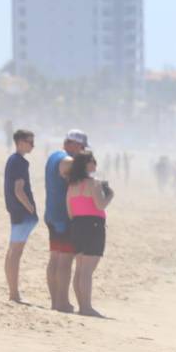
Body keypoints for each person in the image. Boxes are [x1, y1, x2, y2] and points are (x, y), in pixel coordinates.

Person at [45, 130, 88, 312]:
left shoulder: (54, 155)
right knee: (65, 260)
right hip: (64, 216)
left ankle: (55, 301)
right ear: (74, 144)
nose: (82, 151)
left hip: (51, 213)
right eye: (82, 147)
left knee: (54, 257)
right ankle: (62, 302)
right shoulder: (68, 161)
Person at [66, 151, 113, 317]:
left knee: (80, 268)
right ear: (85, 164)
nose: (95, 164)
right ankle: (86, 307)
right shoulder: (93, 183)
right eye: (92, 161)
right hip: (93, 225)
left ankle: (82, 305)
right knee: (87, 270)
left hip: (77, 224)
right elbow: (100, 205)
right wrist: (110, 195)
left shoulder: (72, 185)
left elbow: (70, 211)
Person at [4, 129, 38, 303]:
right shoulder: (20, 162)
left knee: (12, 252)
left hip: (16, 212)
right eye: (30, 142)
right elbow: (19, 189)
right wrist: (30, 207)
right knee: (15, 253)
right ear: (20, 142)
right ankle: (14, 294)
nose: (33, 145)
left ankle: (13, 292)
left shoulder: (12, 160)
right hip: (22, 213)